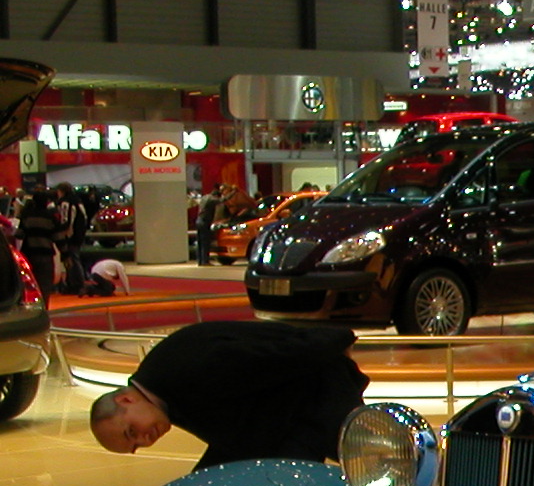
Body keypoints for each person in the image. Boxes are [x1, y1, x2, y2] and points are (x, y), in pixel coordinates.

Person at [89, 321, 369, 470]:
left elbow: (279, 356)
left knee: (370, 465)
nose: (144, 440)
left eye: (131, 433)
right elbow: (234, 439)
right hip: (287, 417)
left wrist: (336, 339)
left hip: (317, 393)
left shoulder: (186, 371)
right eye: (136, 446)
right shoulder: (165, 396)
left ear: (125, 400)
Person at [17, 190, 59, 308]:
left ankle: (31, 308)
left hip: (29, 254)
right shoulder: (51, 217)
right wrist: (66, 254)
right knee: (45, 284)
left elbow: (19, 234)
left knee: (29, 284)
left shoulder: (27, 216)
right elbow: (58, 237)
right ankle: (44, 309)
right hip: (46, 253)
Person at [194, 185, 221, 265]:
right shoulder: (212, 199)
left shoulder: (204, 197)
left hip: (198, 221)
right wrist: (233, 193)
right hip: (205, 222)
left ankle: (200, 261)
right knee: (205, 243)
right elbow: (222, 200)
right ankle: (205, 261)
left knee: (200, 243)